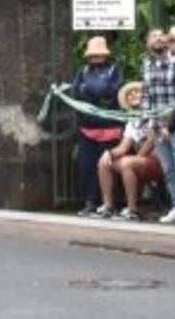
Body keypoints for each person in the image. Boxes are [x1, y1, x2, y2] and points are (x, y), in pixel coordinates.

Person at [91, 81, 164, 221]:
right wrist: (110, 153)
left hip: (160, 159)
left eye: (136, 92)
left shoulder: (154, 114)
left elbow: (151, 142)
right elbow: (123, 147)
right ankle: (108, 206)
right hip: (142, 160)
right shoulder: (132, 121)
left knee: (126, 163)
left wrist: (134, 159)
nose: (133, 95)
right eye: (129, 94)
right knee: (104, 161)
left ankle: (132, 210)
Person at [70, 36, 123, 216]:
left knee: (106, 166)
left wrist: (89, 89)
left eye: (99, 55)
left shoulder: (114, 70)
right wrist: (95, 91)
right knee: (87, 166)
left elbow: (109, 91)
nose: (95, 58)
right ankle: (90, 201)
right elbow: (76, 93)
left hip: (109, 127)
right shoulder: (82, 71)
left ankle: (108, 202)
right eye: (93, 55)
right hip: (88, 126)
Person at [141, 29, 175, 224]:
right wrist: (148, 123)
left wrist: (170, 124)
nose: (158, 38)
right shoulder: (147, 66)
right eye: (153, 36)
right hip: (158, 127)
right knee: (168, 170)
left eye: (161, 35)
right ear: (148, 43)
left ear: (166, 40)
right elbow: (146, 97)